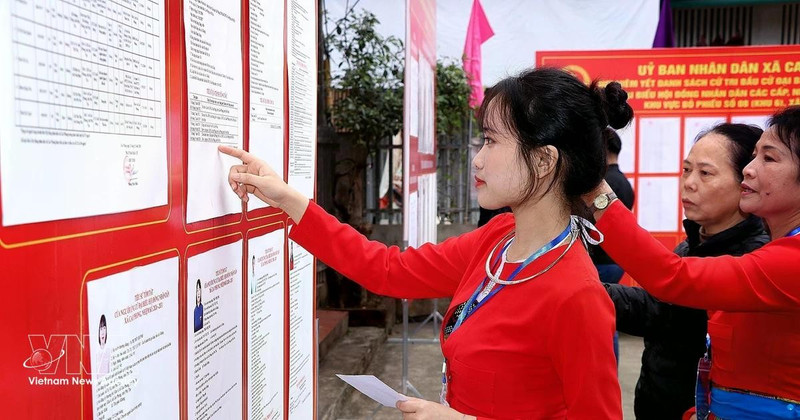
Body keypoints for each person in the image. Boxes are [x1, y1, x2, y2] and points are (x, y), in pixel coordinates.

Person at [221, 67, 633, 418]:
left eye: (491, 141)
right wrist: (288, 199)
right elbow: (388, 269)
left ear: (544, 160)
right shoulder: (497, 240)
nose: (477, 158)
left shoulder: (577, 297)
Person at [586, 106, 800, 419]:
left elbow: (673, 281)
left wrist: (596, 194)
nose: (750, 170)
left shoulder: (786, 260)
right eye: (687, 170)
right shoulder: (698, 244)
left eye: (768, 158)